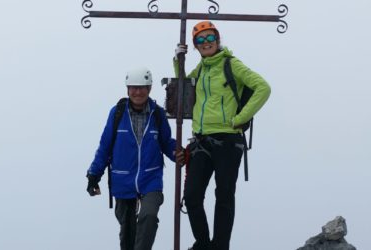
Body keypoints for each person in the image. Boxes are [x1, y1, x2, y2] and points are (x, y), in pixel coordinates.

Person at [173, 21, 271, 250]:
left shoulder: (231, 64)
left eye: (209, 38)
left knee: (224, 195)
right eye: (200, 40)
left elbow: (263, 87)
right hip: (201, 140)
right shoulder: (202, 69)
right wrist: (178, 61)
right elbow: (183, 87)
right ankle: (205, 244)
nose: (206, 43)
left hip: (228, 140)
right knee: (192, 196)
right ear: (195, 46)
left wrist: (239, 119)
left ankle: (220, 246)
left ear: (218, 39)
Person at [86, 66, 184, 250]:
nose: (137, 92)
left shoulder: (158, 114)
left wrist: (178, 153)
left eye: (142, 87)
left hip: (151, 180)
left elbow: (165, 142)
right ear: (127, 89)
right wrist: (93, 175)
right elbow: (105, 146)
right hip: (123, 181)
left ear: (149, 89)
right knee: (128, 234)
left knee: (148, 216)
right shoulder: (117, 113)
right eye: (133, 87)